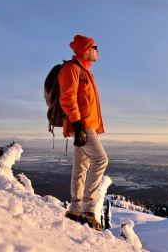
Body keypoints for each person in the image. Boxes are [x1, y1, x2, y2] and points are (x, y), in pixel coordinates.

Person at [59, 34, 107, 230]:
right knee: (101, 160)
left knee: (81, 166)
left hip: (88, 125)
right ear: (86, 49)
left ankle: (75, 208)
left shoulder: (85, 72)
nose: (98, 51)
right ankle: (88, 209)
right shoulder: (71, 69)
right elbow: (67, 98)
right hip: (82, 125)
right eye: (95, 47)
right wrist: (78, 126)